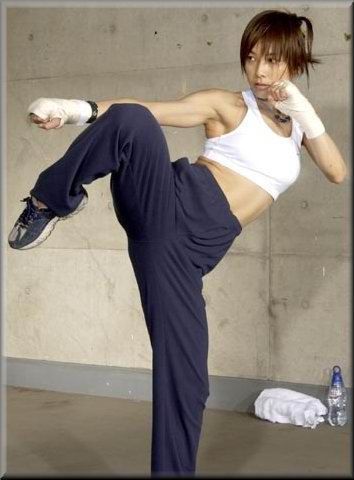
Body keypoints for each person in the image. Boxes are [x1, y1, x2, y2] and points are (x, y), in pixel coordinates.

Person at [8, 8, 347, 477]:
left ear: (295, 61)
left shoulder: (298, 131)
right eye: (252, 59)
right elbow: (151, 110)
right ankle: (48, 203)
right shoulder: (230, 105)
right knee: (135, 120)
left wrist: (304, 112)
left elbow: (336, 171)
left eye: (272, 59)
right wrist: (74, 110)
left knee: (188, 383)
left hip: (184, 259)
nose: (261, 71)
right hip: (166, 203)